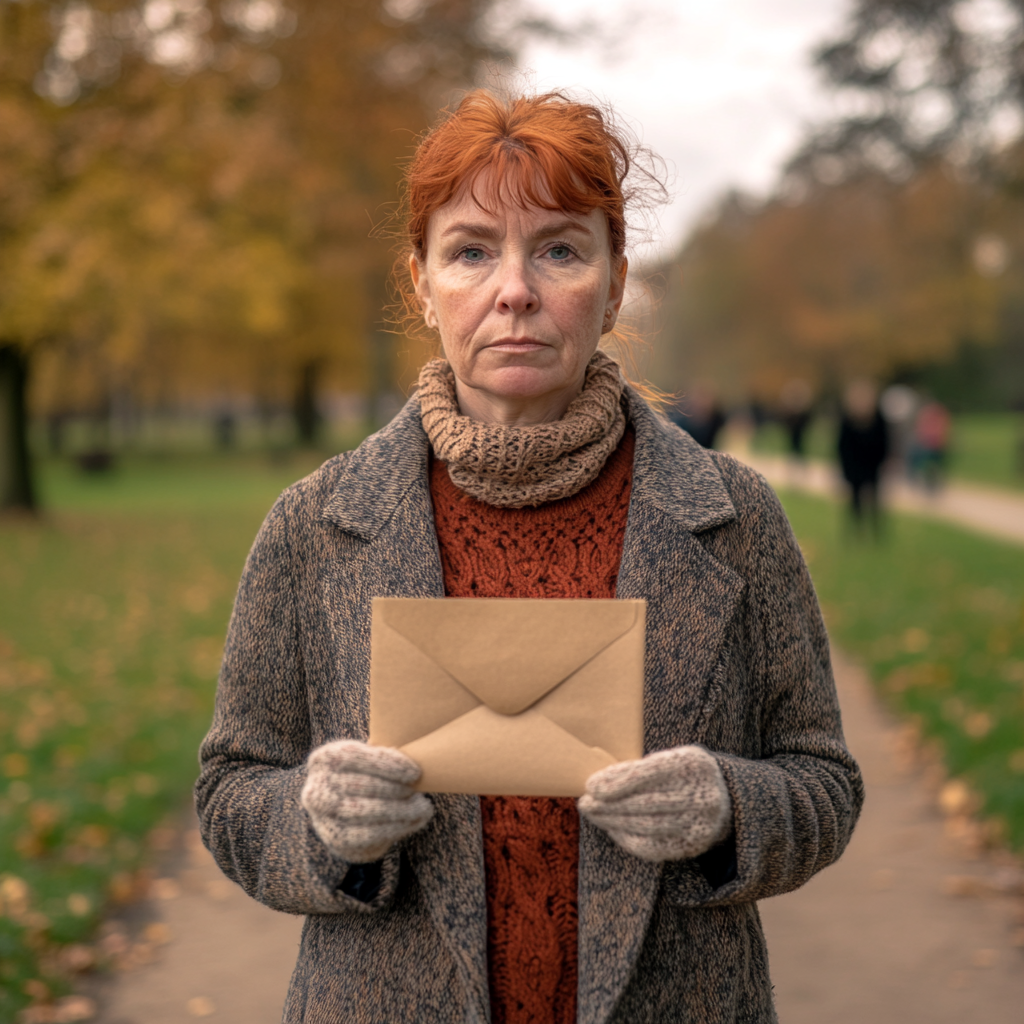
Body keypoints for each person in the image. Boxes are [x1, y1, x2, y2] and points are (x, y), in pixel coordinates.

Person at [196, 91, 863, 1024]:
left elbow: (823, 781)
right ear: (421, 283)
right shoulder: (314, 526)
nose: (515, 290)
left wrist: (729, 809)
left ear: (616, 280)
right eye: (471, 251)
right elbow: (231, 789)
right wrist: (316, 824)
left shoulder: (734, 517)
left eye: (558, 249)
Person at [837, 378, 890, 536]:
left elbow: (885, 442)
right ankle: (856, 531)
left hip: (873, 465)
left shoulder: (879, 419)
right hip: (854, 467)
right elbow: (842, 446)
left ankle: (876, 531)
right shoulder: (848, 420)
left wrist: (884, 461)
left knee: (875, 500)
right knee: (855, 501)